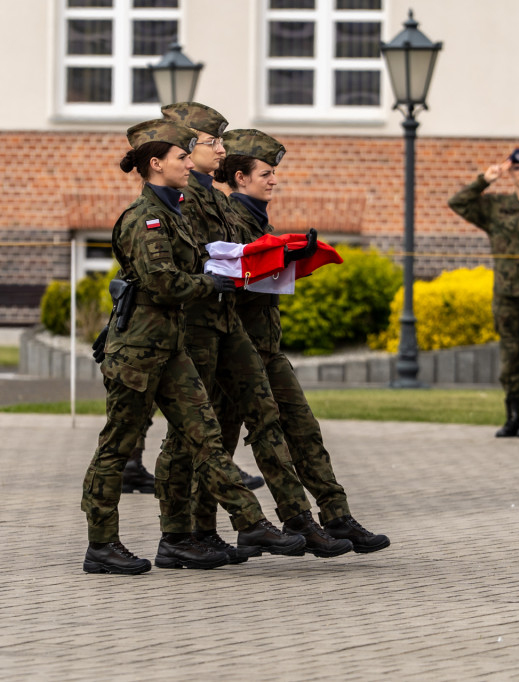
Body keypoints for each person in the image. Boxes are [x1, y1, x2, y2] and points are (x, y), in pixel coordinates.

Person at [80, 119, 305, 576]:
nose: (190, 163)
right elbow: (162, 283)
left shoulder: (176, 212)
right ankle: (101, 544)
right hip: (138, 352)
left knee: (206, 438)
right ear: (155, 163)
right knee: (116, 447)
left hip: (172, 348)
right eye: (182, 157)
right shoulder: (144, 218)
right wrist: (210, 282)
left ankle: (251, 523)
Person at [156, 102, 351, 560]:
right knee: (195, 438)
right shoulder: (179, 201)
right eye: (211, 143)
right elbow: (192, 263)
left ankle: (300, 520)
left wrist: (279, 259)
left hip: (232, 331)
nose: (219, 151)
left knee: (258, 426)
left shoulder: (215, 199)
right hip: (202, 331)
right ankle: (184, 534)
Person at [211, 128, 390, 554]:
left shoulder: (256, 219)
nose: (274, 180)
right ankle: (214, 532)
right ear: (240, 177)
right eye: (266, 173)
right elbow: (230, 278)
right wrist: (278, 257)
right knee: (222, 442)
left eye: (274, 173)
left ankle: (336, 516)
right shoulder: (231, 220)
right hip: (237, 352)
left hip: (266, 350)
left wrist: (290, 258)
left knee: (303, 431)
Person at [448, 148, 519, 438]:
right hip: (507, 296)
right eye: (518, 169)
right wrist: (485, 179)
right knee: (510, 356)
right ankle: (511, 417)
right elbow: (458, 203)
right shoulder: (496, 206)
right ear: (511, 174)